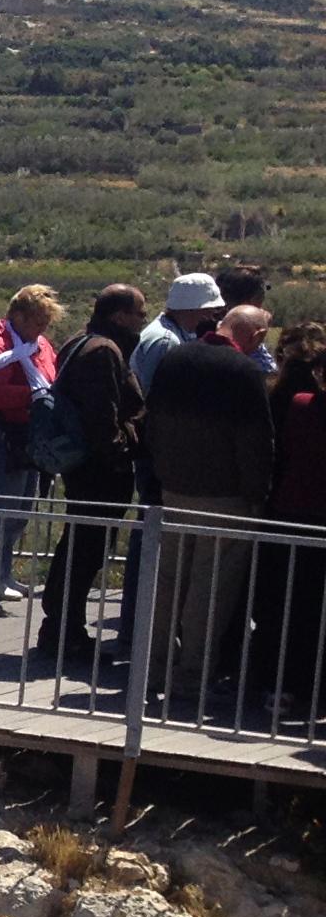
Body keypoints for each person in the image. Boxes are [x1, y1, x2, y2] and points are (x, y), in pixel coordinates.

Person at [140, 328, 277, 717]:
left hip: (175, 491)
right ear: (256, 334)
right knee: (210, 588)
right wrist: (257, 494)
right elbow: (256, 441)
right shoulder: (243, 371)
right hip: (226, 498)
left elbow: (154, 422)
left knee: (167, 583)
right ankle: (191, 678)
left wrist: (164, 472)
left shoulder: (175, 359)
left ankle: (152, 670)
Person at [34, 284, 148, 673]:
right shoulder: (103, 352)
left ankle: (61, 629)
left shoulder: (80, 342)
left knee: (78, 546)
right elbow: (104, 422)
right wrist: (125, 448)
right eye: (139, 314)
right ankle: (65, 633)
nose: (143, 321)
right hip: (99, 471)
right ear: (120, 316)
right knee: (85, 551)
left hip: (84, 467)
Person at [0, 285, 64, 612]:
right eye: (38, 320)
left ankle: (0, 573)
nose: (43, 327)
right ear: (17, 316)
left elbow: (51, 376)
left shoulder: (38, 345)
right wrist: (34, 398)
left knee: (19, 507)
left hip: (25, 435)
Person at [247, 324, 326, 727]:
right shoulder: (297, 404)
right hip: (310, 515)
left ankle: (276, 687)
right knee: (312, 611)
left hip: (292, 512)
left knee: (282, 604)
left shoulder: (297, 405)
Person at [133, 273, 226, 406]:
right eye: (208, 309)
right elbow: (152, 394)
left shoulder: (172, 332)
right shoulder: (166, 342)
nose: (211, 316)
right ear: (192, 308)